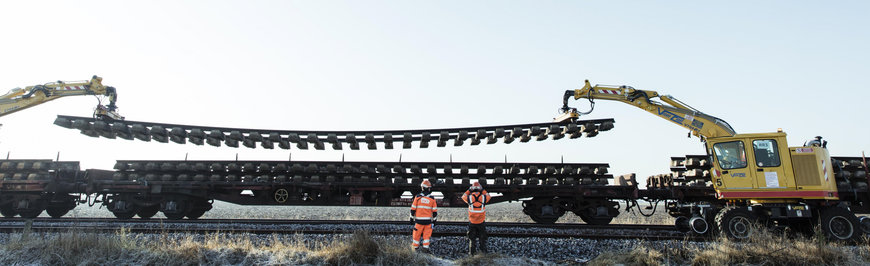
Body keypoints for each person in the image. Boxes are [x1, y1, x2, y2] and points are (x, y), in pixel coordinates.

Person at [462, 181, 490, 255]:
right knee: (482, 239)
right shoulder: (483, 198)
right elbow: (488, 196)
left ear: (473, 189)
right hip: (481, 222)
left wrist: (469, 190)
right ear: (479, 189)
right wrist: (482, 190)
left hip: (472, 222)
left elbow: (463, 196)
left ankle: (472, 254)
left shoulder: (469, 198)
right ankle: (483, 254)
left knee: (472, 239)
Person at [410, 179, 437, 253]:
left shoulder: (417, 197)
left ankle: (415, 251)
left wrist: (411, 218)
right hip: (428, 222)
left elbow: (413, 209)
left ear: (422, 188)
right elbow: (434, 211)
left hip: (418, 222)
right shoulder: (432, 199)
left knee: (416, 237)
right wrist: (434, 221)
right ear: (428, 188)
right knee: (426, 237)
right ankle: (425, 250)